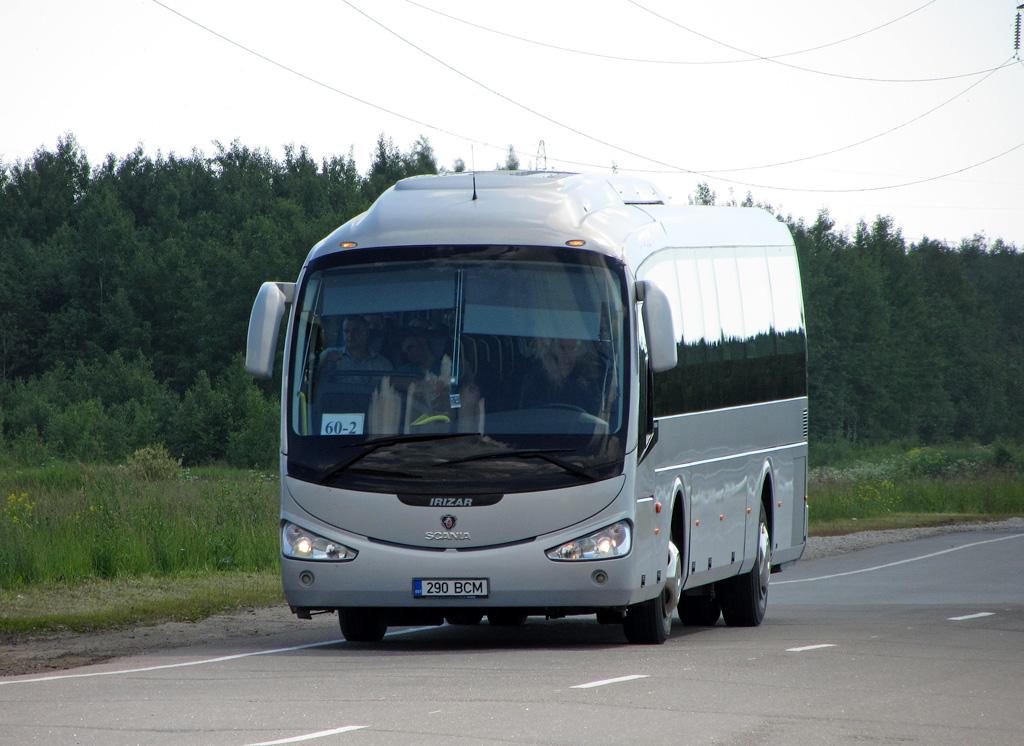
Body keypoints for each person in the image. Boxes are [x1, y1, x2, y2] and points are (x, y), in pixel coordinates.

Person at [518, 337, 602, 413]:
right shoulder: (535, 379)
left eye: (571, 348)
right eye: (561, 347)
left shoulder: (589, 382)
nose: (565, 353)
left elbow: (594, 419)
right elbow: (526, 414)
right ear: (553, 349)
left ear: (579, 350)